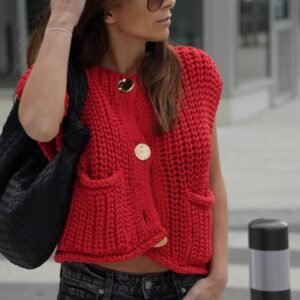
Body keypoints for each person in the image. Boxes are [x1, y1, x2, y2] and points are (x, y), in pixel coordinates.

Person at [15, 0, 229, 299]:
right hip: (94, 288)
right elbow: (39, 124)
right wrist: (62, 19)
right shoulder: (69, 81)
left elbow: (213, 181)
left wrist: (218, 276)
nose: (169, 2)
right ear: (109, 10)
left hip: (186, 287)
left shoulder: (195, 72)